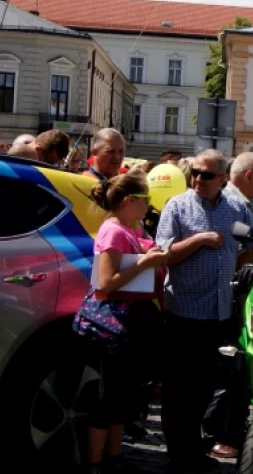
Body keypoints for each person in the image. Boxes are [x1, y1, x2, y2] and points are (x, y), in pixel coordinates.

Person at [155, 149, 253, 470]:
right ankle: (179, 458)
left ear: (222, 178)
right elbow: (163, 255)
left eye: (206, 174)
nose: (198, 179)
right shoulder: (178, 206)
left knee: (205, 389)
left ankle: (193, 452)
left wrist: (241, 266)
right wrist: (199, 240)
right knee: (178, 392)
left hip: (219, 314)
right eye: (195, 172)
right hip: (184, 313)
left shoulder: (235, 207)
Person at [83, 172, 168, 474]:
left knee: (123, 393)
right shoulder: (114, 231)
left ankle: (114, 455)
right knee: (110, 394)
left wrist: (147, 255)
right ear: (131, 201)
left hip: (129, 322)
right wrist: (144, 263)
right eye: (146, 200)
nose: (149, 206)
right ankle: (95, 461)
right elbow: (107, 282)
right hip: (114, 323)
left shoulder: (127, 229)